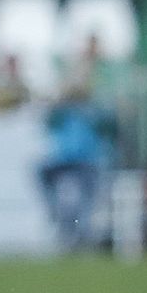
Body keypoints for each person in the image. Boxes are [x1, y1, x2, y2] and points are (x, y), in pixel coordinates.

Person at [36, 80, 116, 251]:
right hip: (63, 161)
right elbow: (48, 118)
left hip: (87, 163)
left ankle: (80, 234)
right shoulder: (61, 113)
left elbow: (112, 129)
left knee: (86, 200)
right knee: (42, 174)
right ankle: (55, 213)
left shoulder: (94, 113)